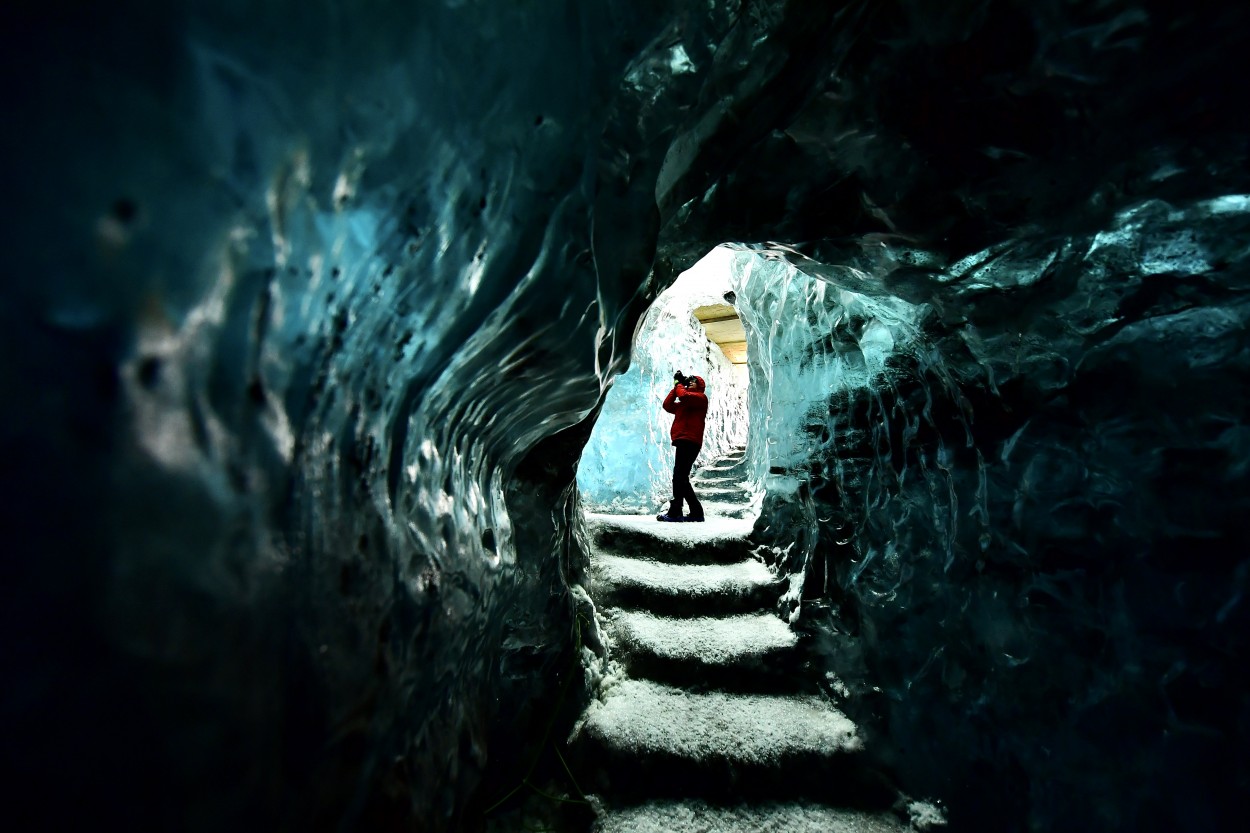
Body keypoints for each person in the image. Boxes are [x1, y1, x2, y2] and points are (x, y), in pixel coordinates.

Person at [657, 372, 708, 522]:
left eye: (694, 381)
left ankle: (676, 511)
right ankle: (695, 512)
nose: (691, 382)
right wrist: (676, 386)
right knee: (681, 477)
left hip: (690, 441)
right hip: (683, 440)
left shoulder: (700, 398)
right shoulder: (684, 404)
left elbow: (684, 396)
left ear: (700, 386)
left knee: (679, 477)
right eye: (689, 381)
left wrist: (679, 384)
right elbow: (667, 405)